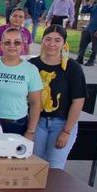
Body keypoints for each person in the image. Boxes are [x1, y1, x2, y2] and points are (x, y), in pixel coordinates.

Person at [30, 25, 85, 169]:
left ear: (64, 43)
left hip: (62, 124)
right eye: (48, 39)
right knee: (34, 166)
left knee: (55, 169)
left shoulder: (73, 68)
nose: (52, 44)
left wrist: (66, 131)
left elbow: (78, 101)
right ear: (42, 41)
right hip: (37, 123)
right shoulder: (32, 65)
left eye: (57, 40)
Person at [0, 27, 42, 135]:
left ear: (23, 45)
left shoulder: (31, 69)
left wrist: (30, 131)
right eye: (7, 42)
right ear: (1, 45)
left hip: (17, 125)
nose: (12, 46)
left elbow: (35, 103)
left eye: (17, 42)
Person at [78, 0, 97, 66]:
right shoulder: (95, 6)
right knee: (82, 44)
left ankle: (91, 60)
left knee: (94, 47)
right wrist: (88, 4)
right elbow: (83, 11)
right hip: (88, 28)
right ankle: (80, 58)